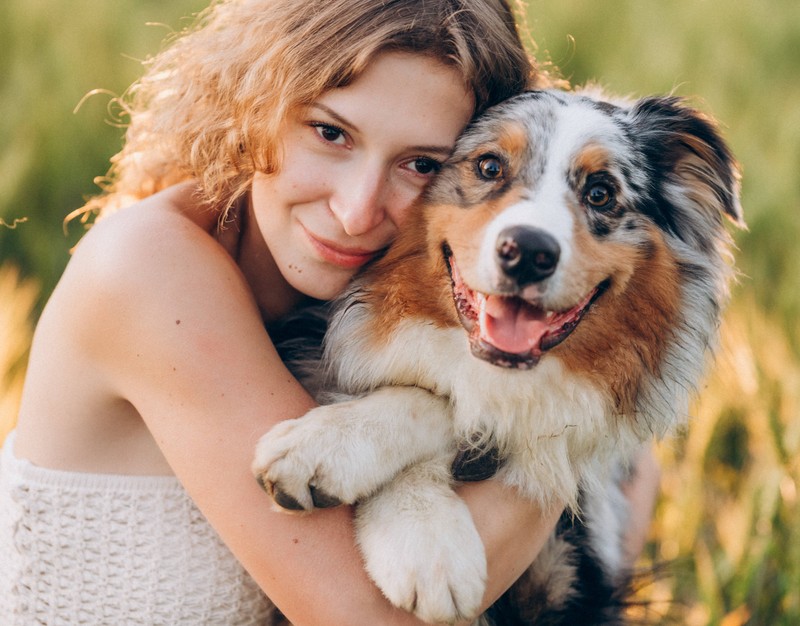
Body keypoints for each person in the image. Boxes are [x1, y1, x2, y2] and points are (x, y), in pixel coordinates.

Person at [0, 0, 658, 624]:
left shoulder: (364, 302)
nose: (355, 209)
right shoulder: (148, 268)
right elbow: (369, 616)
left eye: (422, 163)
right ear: (256, 101)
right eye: (330, 132)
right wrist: (577, 426)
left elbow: (637, 485)